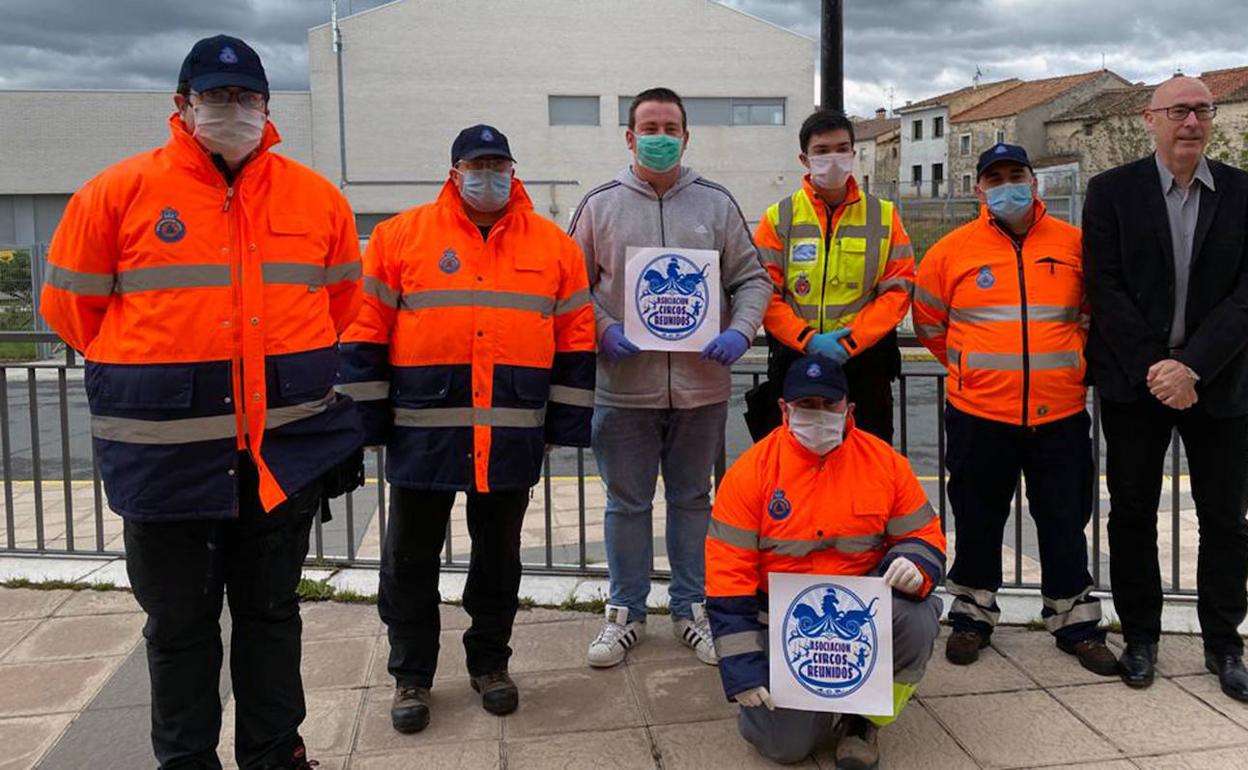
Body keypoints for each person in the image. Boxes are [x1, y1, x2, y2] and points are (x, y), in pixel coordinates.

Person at [40, 36, 363, 769]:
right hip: (163, 464)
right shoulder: (116, 193)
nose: (233, 110)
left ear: (267, 108)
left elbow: (338, 306)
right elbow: (70, 312)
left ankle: (275, 754)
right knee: (179, 626)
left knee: (272, 616)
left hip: (278, 457)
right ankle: (185, 761)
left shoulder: (315, 198)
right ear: (182, 105)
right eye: (216, 96)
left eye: (247, 97)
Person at [339, 124, 596, 733]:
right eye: (476, 165)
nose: (488, 176)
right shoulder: (402, 236)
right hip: (422, 433)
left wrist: (563, 422)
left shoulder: (555, 246)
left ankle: (490, 665)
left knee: (498, 559)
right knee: (409, 558)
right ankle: (411, 676)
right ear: (454, 172)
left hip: (510, 433)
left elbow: (576, 341)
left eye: (498, 164)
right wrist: (366, 421)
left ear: (513, 170)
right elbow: (364, 330)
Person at [569, 87, 772, 669]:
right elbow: (570, 286)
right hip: (623, 387)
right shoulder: (600, 205)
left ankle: (692, 608)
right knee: (625, 504)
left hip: (701, 388)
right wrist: (603, 327)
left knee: (692, 501)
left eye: (670, 127)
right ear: (630, 137)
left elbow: (752, 279)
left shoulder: (716, 203)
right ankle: (625, 613)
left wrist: (742, 331)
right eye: (649, 126)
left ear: (686, 136)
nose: (660, 136)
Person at [912, 143, 1116, 675]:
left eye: (1016, 174)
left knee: (1065, 516)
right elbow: (929, 324)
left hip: (1060, 413)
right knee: (979, 517)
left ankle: (1073, 619)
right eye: (995, 177)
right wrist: (971, 368)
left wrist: (1067, 366)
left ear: (1035, 181)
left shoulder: (1075, 244)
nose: (1007, 184)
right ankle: (973, 614)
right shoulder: (952, 250)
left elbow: (1095, 316)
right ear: (979, 188)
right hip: (979, 412)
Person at [1083, 75, 1248, 701]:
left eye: (1203, 111)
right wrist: (1158, 366)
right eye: (1179, 110)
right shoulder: (1111, 192)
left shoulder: (1241, 193)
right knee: (1130, 515)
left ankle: (1223, 645)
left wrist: (1192, 368)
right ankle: (1142, 638)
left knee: (1226, 521)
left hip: (1220, 383)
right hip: (1135, 384)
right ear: (1150, 119)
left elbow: (1244, 297)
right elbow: (1106, 287)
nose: (1192, 122)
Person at [706, 354, 945, 767]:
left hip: (862, 614)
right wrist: (741, 670)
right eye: (806, 406)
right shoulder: (749, 474)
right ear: (784, 409)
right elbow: (727, 578)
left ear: (848, 408)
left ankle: (863, 719)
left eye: (828, 405)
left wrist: (915, 563)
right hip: (779, 623)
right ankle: (785, 711)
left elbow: (924, 535)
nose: (818, 415)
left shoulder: (885, 464)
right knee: (789, 748)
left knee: (917, 617)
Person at [745, 109, 914, 445]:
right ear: (804, 159)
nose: (833, 158)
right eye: (822, 151)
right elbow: (764, 291)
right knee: (793, 462)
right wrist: (808, 339)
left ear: (853, 152)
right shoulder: (779, 218)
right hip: (796, 359)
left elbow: (898, 290)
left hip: (864, 364)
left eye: (841, 148)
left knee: (868, 461)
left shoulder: (884, 216)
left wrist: (851, 342)